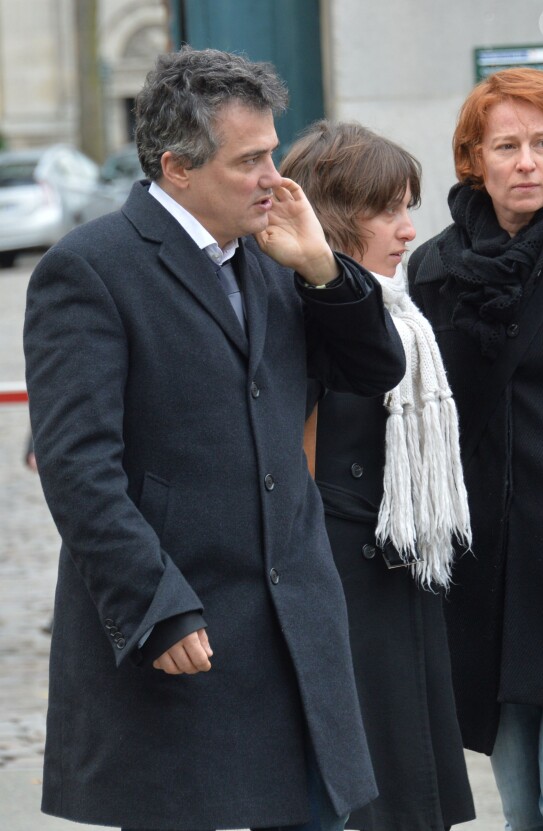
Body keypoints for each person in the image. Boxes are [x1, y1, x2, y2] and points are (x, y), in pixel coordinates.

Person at [23, 48, 407, 831]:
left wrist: (325, 271)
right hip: (179, 629)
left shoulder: (275, 256)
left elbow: (374, 369)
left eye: (273, 150)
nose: (277, 176)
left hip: (293, 631)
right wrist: (155, 608)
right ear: (178, 168)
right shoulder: (89, 269)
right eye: (252, 160)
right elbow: (76, 465)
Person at [281, 120, 475, 831]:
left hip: (402, 579)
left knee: (409, 801)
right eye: (388, 209)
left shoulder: (400, 310)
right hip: (339, 585)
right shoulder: (297, 305)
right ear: (335, 216)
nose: (407, 228)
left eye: (408, 205)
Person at [407, 67, 543, 831]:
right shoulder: (439, 268)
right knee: (520, 809)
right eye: (506, 145)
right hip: (490, 569)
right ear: (473, 158)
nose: (527, 162)